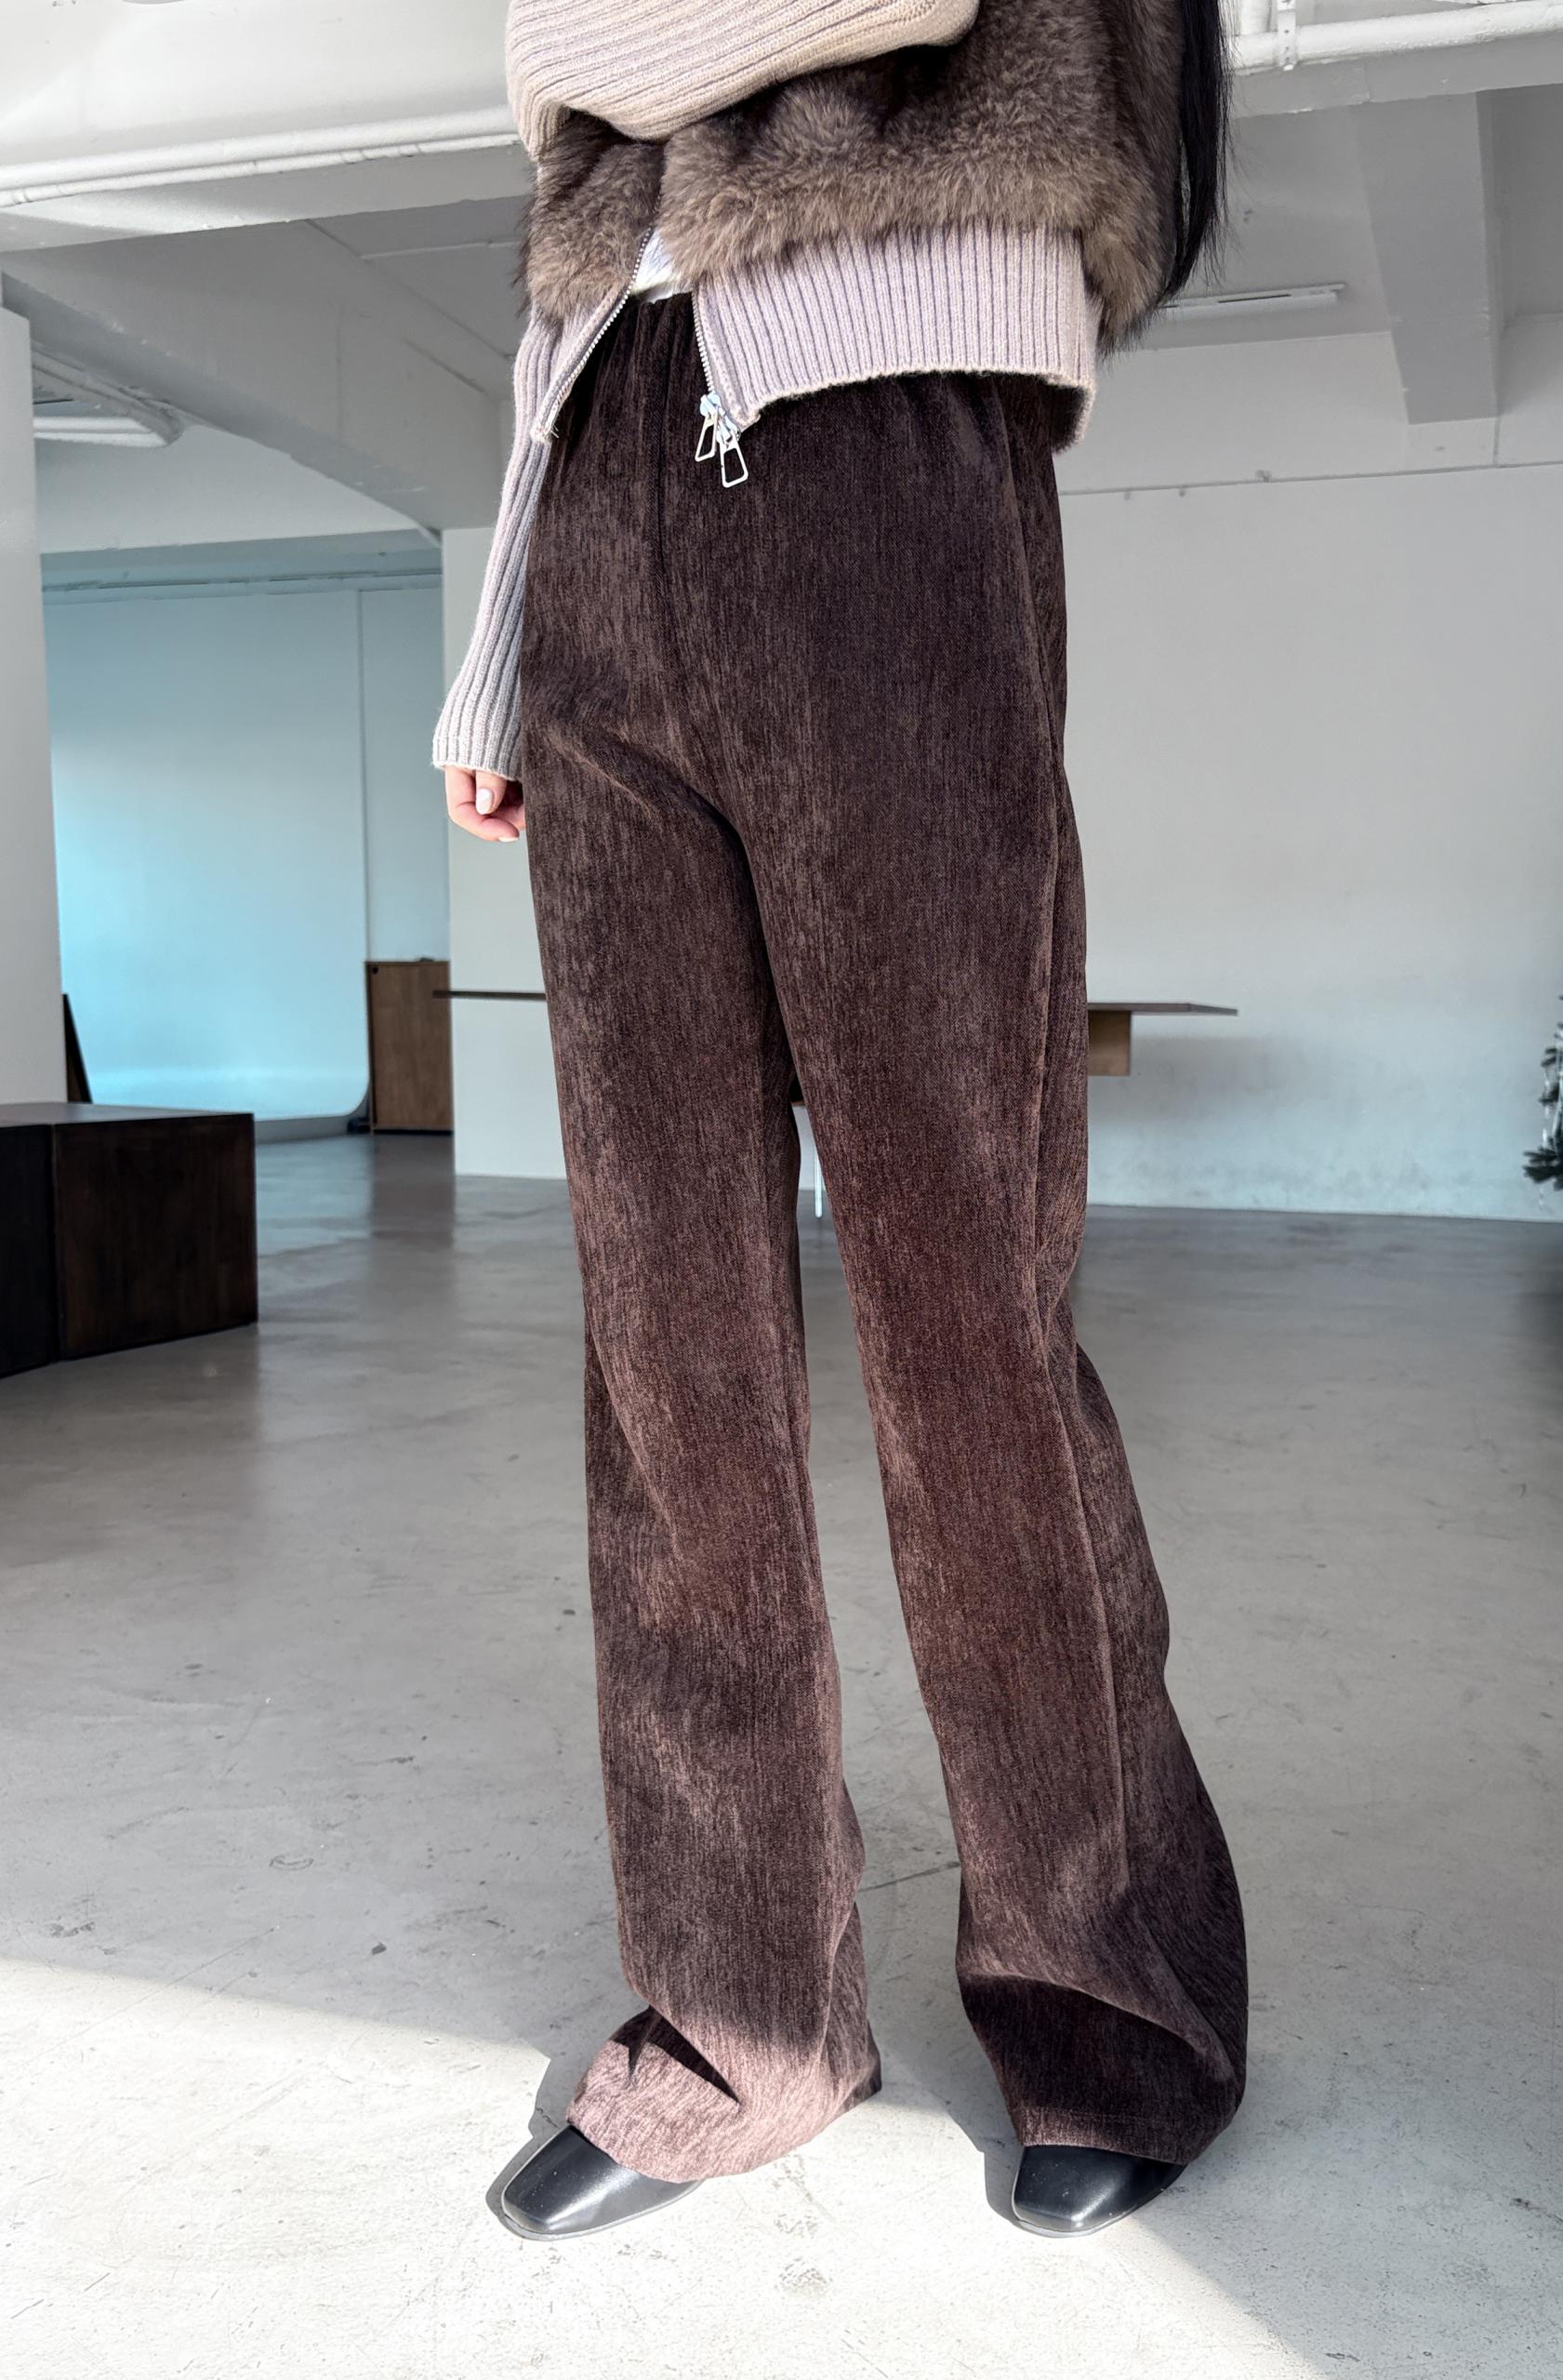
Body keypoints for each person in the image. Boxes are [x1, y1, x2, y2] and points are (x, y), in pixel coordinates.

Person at [437, 0, 1247, 2242]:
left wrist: (585, 40)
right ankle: (739, 2013)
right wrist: (500, 643)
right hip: (601, 488)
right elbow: (574, 206)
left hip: (883, 450)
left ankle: (1110, 1994)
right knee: (664, 1345)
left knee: (966, 1303)